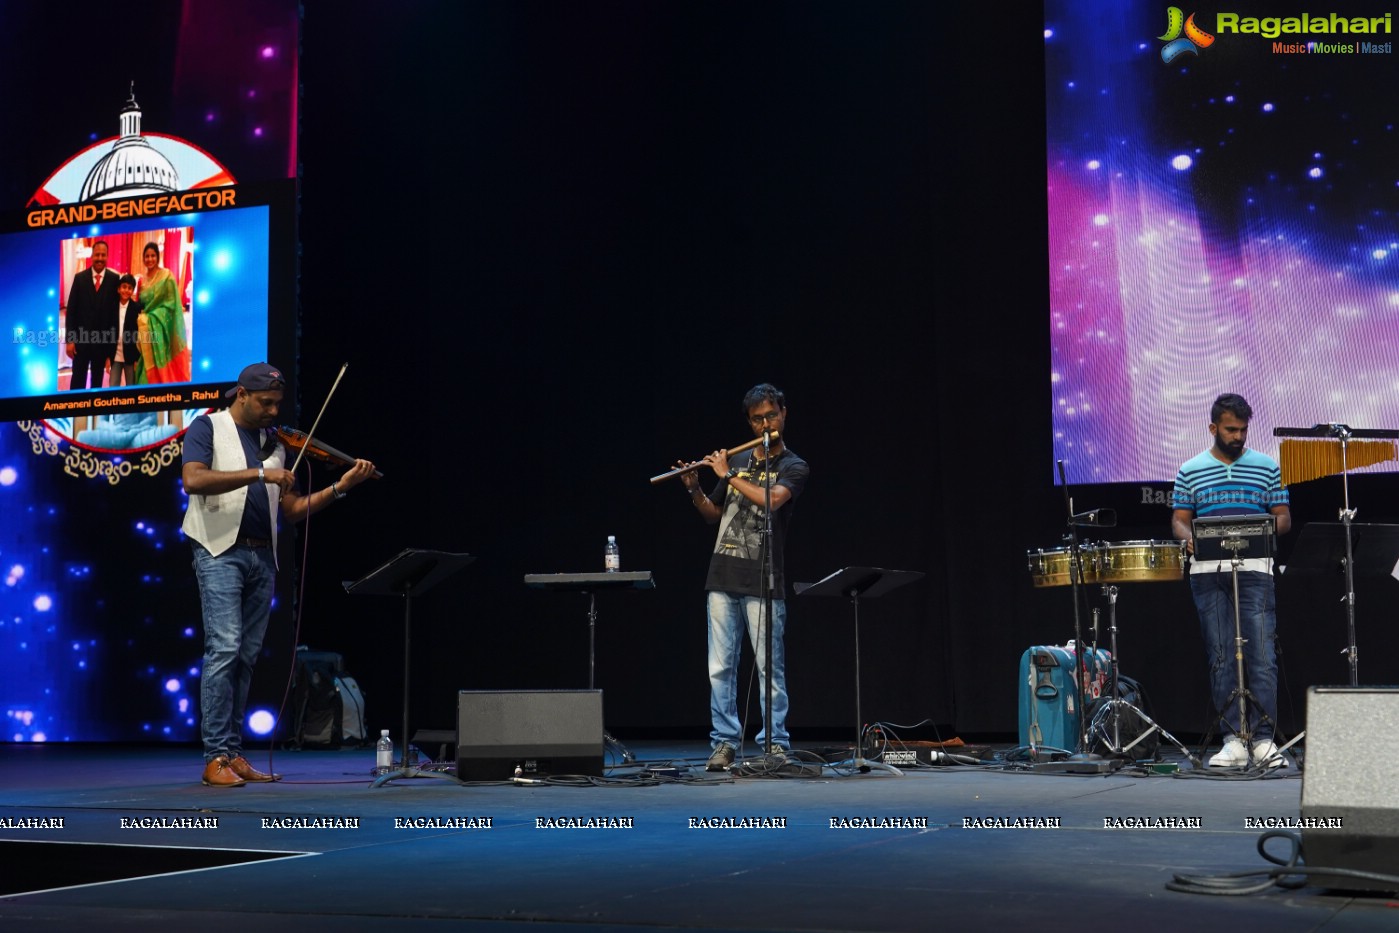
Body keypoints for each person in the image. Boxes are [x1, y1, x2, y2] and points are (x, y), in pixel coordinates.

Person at [182, 363, 375, 786]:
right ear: (241, 395)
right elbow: (193, 480)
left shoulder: (276, 444)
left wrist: (340, 487)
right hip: (218, 551)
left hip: (260, 557)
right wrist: (259, 473)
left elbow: (289, 511)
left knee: (246, 657)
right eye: (265, 403)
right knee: (225, 649)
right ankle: (214, 756)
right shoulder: (207, 428)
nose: (273, 411)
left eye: (277, 403)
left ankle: (232, 754)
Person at [678, 383, 809, 771]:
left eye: (771, 415)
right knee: (720, 668)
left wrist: (728, 475)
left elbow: (772, 500)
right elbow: (713, 515)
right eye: (757, 419)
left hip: (764, 580)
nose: (765, 423)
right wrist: (695, 488)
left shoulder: (793, 466)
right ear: (750, 423)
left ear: (784, 413)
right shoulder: (737, 463)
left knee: (771, 670)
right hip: (722, 577)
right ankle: (724, 744)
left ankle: (776, 745)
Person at [1171, 393, 1291, 769]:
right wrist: (1186, 539)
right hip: (1208, 574)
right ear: (1213, 428)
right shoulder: (1190, 469)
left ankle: (1262, 740)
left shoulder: (1266, 466)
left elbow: (1283, 517)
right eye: (1230, 429)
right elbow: (1179, 519)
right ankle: (1232, 740)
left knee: (1261, 655)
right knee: (1222, 655)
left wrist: (1266, 530)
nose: (1238, 436)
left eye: (1242, 429)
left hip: (1255, 569)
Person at [64, 239, 120, 389]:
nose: (100, 258)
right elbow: (71, 311)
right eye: (97, 255)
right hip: (81, 343)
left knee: (97, 383)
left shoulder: (114, 280)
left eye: (103, 255)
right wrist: (70, 340)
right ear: (91, 256)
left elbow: (115, 317)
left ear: (107, 256)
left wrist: (111, 350)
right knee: (77, 382)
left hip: (102, 345)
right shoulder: (80, 278)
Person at [135, 241, 192, 384]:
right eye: (147, 256)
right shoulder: (142, 281)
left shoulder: (166, 276)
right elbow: (139, 305)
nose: (150, 259)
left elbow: (172, 305)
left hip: (162, 329)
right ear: (143, 258)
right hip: (146, 330)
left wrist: (151, 318)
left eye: (153, 256)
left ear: (158, 256)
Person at [107, 274, 142, 388]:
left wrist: (137, 359)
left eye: (129, 288)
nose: (126, 290)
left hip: (131, 357)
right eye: (124, 287)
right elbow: (107, 333)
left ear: (133, 291)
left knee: (131, 386)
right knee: (113, 385)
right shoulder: (111, 306)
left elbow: (138, 335)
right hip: (115, 355)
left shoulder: (136, 308)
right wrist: (107, 357)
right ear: (118, 289)